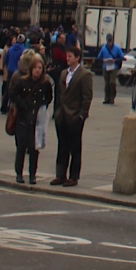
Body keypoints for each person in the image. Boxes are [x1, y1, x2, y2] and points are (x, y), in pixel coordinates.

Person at [51, 45, 93, 186]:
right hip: (62, 115)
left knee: (75, 147)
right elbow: (59, 94)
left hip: (75, 116)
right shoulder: (64, 73)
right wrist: (57, 111)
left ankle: (73, 176)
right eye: (67, 56)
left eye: (70, 56)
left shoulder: (84, 75)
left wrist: (82, 115)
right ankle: (60, 175)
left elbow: (87, 97)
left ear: (77, 58)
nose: (67, 58)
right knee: (62, 146)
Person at [9, 51, 53, 184]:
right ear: (31, 69)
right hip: (22, 119)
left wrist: (42, 105)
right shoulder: (22, 82)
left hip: (36, 121)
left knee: (34, 149)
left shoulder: (45, 83)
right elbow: (13, 94)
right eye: (35, 68)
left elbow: (49, 97)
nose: (37, 71)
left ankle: (32, 174)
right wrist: (22, 103)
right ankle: (19, 173)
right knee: (21, 148)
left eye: (40, 68)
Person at [96, 34, 125, 105]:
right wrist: (103, 60)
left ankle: (112, 98)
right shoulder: (103, 48)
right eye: (108, 40)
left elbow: (122, 57)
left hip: (114, 67)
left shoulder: (117, 48)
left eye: (110, 40)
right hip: (105, 67)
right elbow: (99, 57)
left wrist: (115, 60)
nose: (109, 42)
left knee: (112, 82)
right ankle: (107, 98)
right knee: (106, 84)